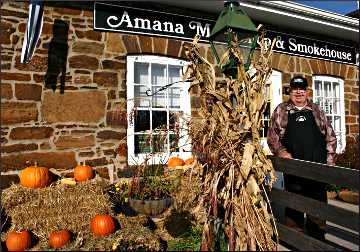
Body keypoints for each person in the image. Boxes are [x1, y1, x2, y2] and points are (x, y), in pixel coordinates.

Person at [267, 75, 337, 241]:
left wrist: (329, 163)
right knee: (294, 207)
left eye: (302, 89)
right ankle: (295, 240)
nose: (298, 92)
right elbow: (272, 137)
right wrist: (282, 152)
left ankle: (318, 239)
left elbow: (331, 137)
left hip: (317, 170)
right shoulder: (281, 110)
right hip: (294, 170)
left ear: (307, 91)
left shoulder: (317, 110)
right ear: (290, 91)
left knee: (318, 207)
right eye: (295, 89)